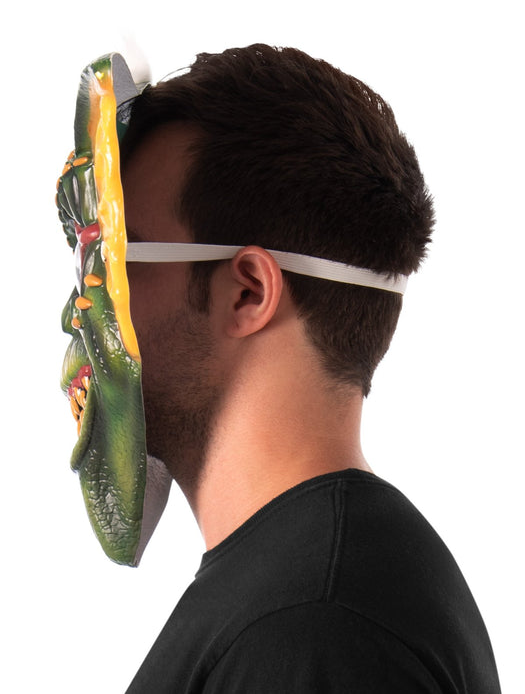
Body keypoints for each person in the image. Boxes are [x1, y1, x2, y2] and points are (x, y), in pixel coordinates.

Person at [121, 44, 500, 692]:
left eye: (119, 263)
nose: (84, 310)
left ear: (247, 292)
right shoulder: (306, 590)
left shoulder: (312, 627)